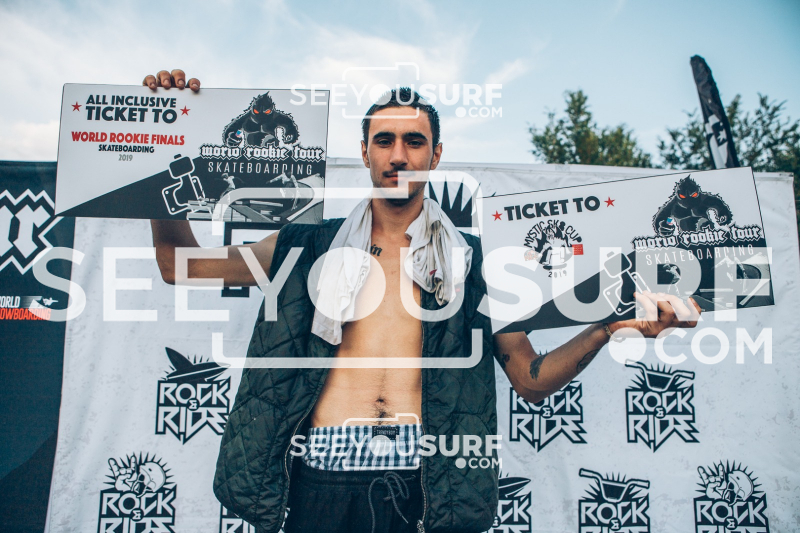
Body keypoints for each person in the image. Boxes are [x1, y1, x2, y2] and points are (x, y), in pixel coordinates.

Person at [145, 69, 701, 533]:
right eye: (384, 140)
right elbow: (177, 264)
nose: (398, 155)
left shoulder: (477, 263)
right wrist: (164, 140)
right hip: (320, 486)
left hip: (426, 491)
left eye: (414, 142)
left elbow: (530, 379)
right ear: (364, 153)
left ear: (435, 155)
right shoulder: (304, 246)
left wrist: (607, 327)